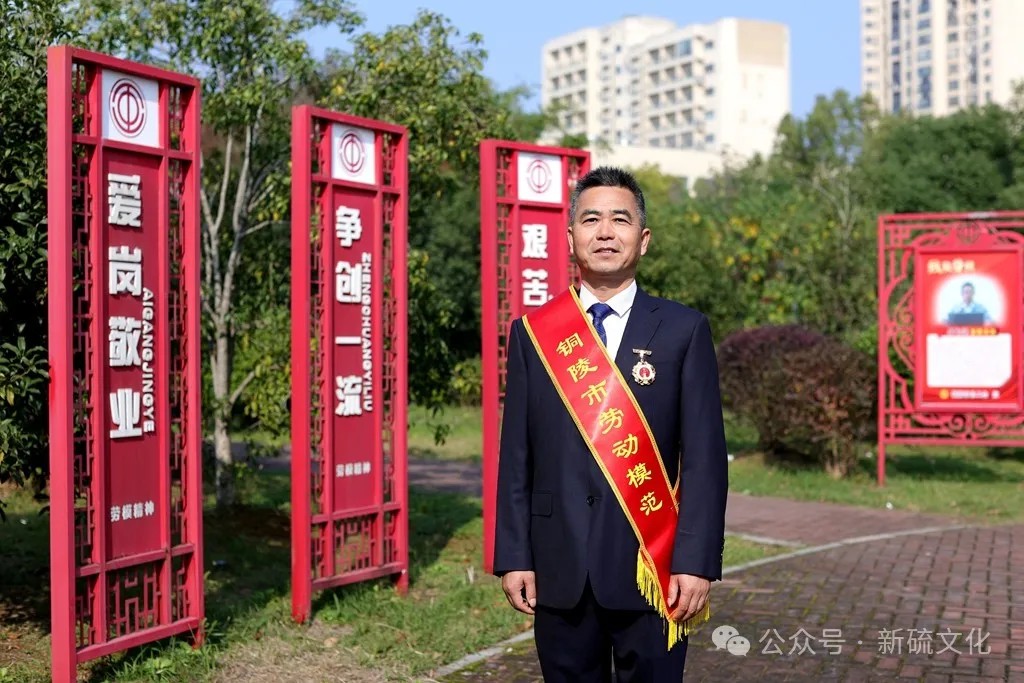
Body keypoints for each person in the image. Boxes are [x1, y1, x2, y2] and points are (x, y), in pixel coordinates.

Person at [493, 166, 729, 682]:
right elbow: (517, 457)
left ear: (642, 240)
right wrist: (513, 556)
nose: (605, 232)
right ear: (570, 238)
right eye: (591, 219)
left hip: (653, 567)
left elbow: (705, 461)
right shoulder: (534, 334)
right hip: (558, 567)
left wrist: (695, 562)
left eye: (620, 220)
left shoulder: (683, 330)